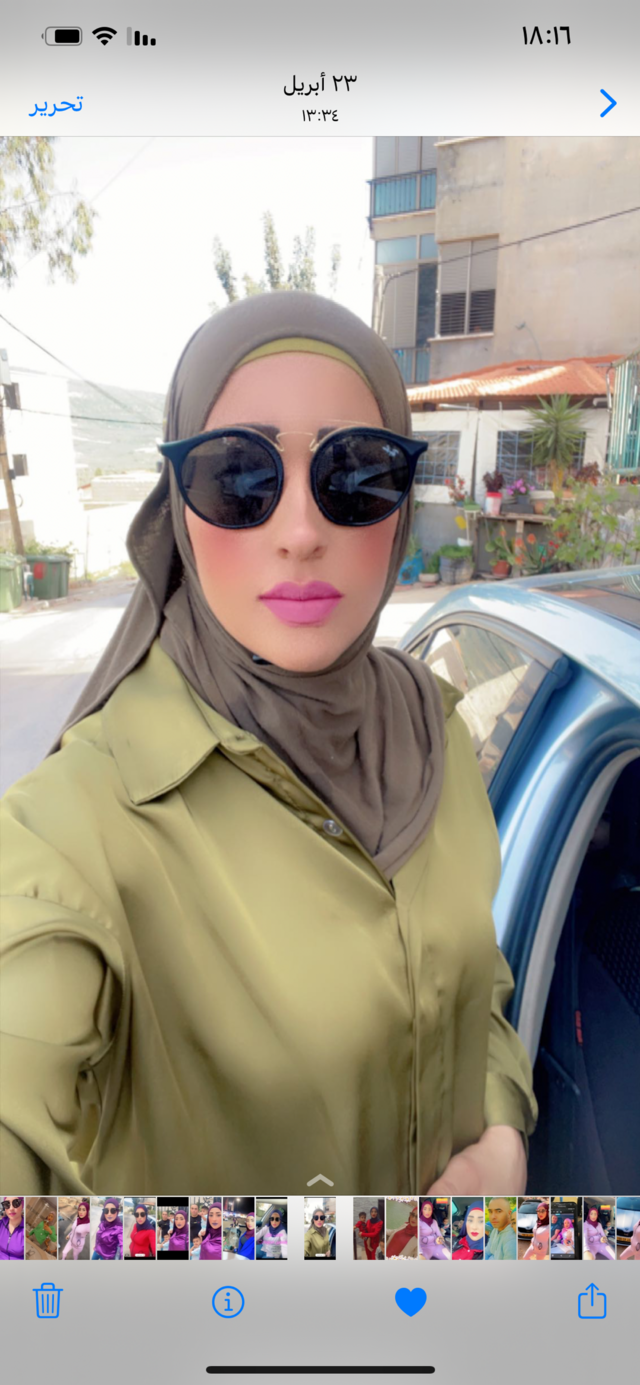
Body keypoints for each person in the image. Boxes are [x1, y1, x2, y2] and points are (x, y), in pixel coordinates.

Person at [0, 293, 537, 1195]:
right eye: (239, 476)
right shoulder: (76, 829)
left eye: (355, 474)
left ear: (402, 504)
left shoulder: (432, 729)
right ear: (178, 506)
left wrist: (502, 1136)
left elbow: (475, 981)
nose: (299, 533)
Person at [0, 1196, 25, 1261]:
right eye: (7, 1204)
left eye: (16, 1203)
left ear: (22, 1205)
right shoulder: (1, 1224)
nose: (11, 1208)